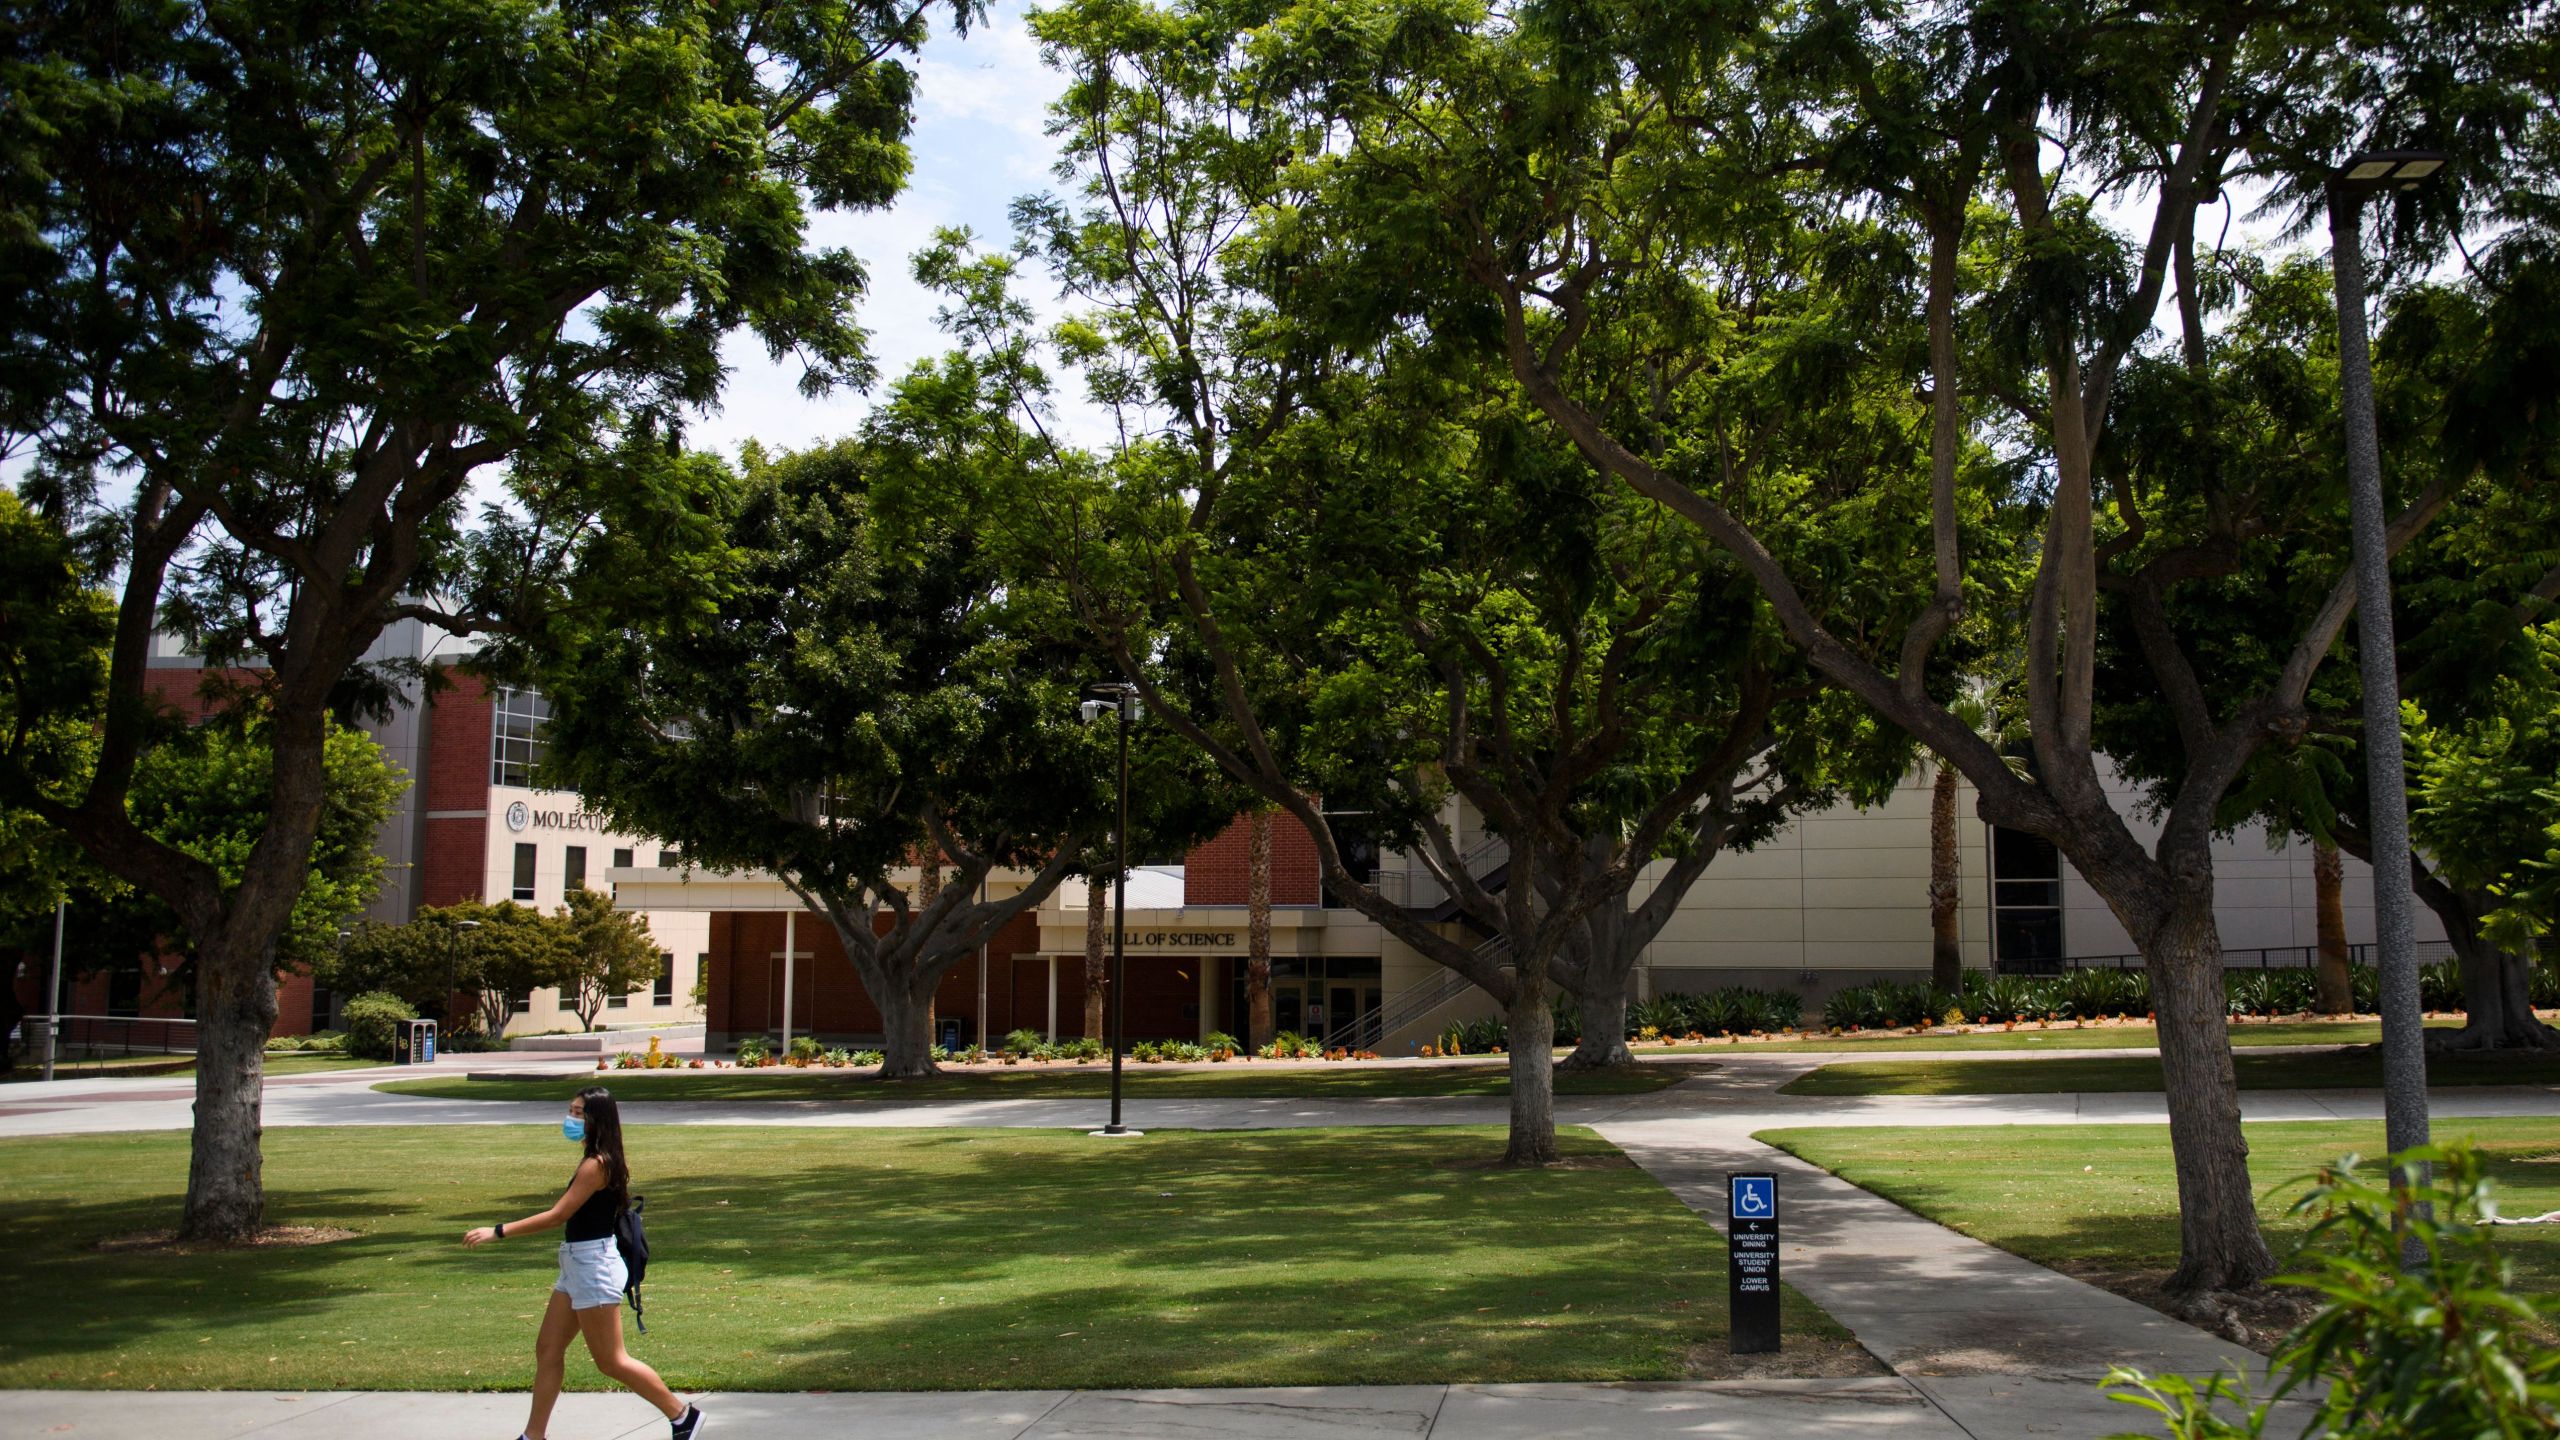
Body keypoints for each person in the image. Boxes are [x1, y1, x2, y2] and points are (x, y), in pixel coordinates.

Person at [464, 1085, 702, 1440]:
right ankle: (534, 1436)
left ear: (597, 1120)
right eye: (571, 1110)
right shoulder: (598, 1158)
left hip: (593, 1266)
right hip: (578, 1263)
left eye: (579, 1113)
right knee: (548, 1349)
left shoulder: (597, 1165)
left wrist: (498, 1231)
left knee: (611, 1361)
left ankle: (683, 1416)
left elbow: (557, 1216)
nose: (571, 1118)